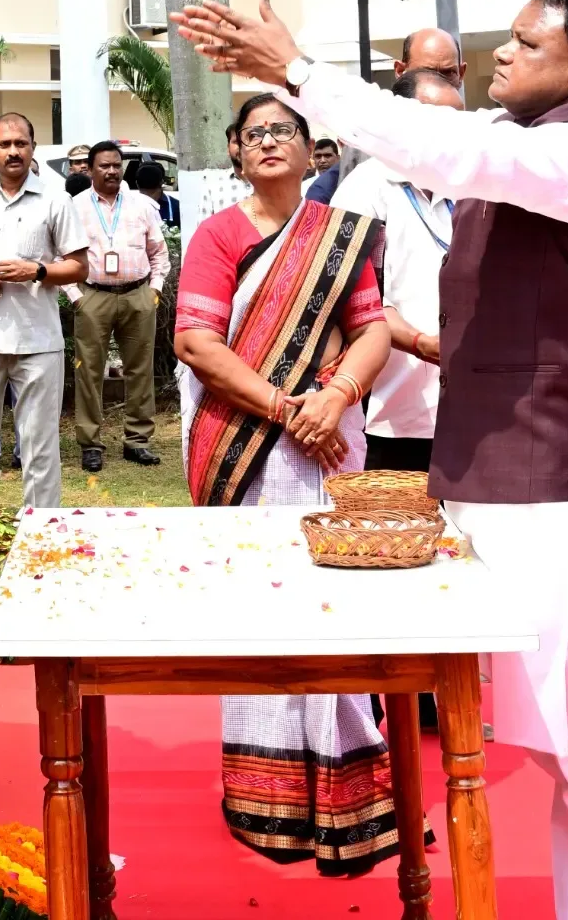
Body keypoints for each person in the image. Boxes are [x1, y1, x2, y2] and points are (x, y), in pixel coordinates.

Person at [178, 0, 568, 920]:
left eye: (528, 44)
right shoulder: (523, 149)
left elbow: (446, 143)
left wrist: (300, 70)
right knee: (567, 760)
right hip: (503, 486)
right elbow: (432, 154)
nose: (505, 55)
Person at [173, 90, 399, 876]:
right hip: (242, 444)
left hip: (327, 443)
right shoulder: (217, 234)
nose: (269, 142)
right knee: (259, 607)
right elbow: (197, 343)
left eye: (284, 131)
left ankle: (349, 789)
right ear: (236, 152)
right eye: (253, 134)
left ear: (313, 152)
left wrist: (331, 400)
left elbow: (372, 328)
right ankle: (264, 792)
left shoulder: (341, 236)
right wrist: (282, 406)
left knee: (331, 600)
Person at [0, 114, 86, 509]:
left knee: (40, 449)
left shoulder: (57, 199)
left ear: (32, 149)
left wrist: (36, 270)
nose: (13, 151)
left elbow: (78, 267)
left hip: (38, 340)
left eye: (20, 144)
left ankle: (42, 538)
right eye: (4, 144)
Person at [336, 65, 462, 472]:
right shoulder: (363, 190)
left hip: (470, 405)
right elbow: (353, 298)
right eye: (438, 122)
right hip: (390, 407)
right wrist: (423, 344)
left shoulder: (470, 189)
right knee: (399, 531)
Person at [70, 140, 170, 470]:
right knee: (90, 370)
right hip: (93, 295)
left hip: (137, 294)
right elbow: (62, 254)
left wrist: (153, 291)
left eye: (116, 165)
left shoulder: (141, 205)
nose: (111, 171)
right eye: (104, 166)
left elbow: (159, 253)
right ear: (91, 169)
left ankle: (137, 440)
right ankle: (90, 444)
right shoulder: (77, 206)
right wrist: (77, 297)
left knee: (140, 369)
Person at [306, 27, 461, 205]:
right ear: (400, 70)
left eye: (448, 73)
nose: (437, 83)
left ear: (462, 73)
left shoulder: (475, 141)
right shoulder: (366, 146)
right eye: (426, 72)